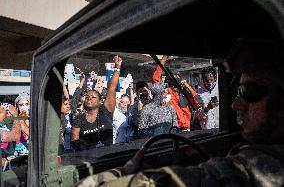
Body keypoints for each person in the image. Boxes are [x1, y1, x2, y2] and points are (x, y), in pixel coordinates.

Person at [74, 38, 284, 187]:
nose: (235, 105)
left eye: (250, 92)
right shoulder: (165, 104)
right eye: (238, 92)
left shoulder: (255, 169)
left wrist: (126, 171)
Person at [71, 55, 122, 150]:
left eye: (93, 97)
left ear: (100, 101)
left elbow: (112, 88)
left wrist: (117, 68)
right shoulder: (79, 119)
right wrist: (80, 145)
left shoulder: (106, 111)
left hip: (106, 157)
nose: (89, 98)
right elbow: (74, 139)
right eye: (87, 97)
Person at [152, 55, 200, 131]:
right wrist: (164, 58)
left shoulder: (185, 93)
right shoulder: (167, 92)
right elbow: (155, 79)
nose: (176, 79)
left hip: (188, 129)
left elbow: (198, 103)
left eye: (178, 77)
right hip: (174, 129)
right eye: (174, 77)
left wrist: (188, 87)